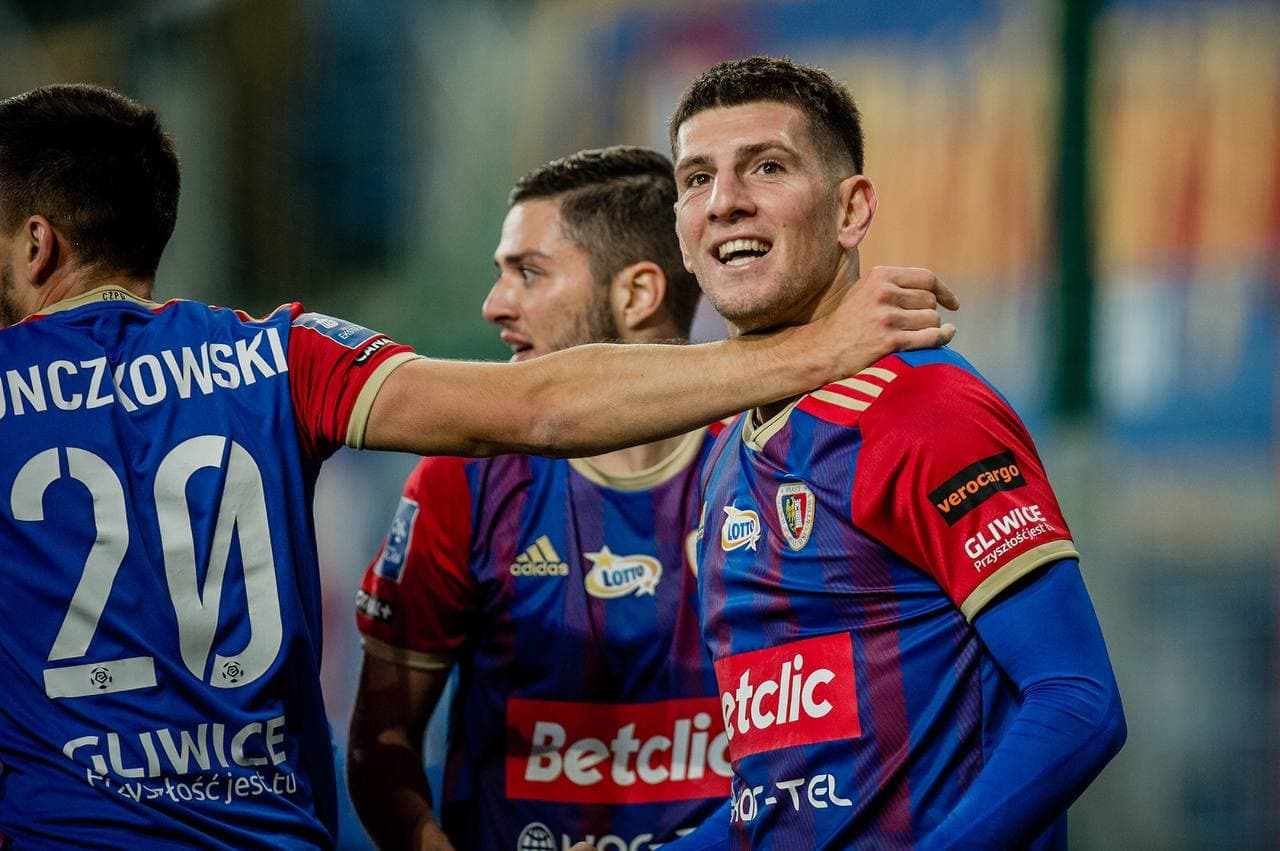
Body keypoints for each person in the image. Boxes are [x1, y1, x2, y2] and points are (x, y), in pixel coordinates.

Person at [0, 84, 956, 849]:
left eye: (528, 273)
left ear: (38, 244)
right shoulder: (281, 359)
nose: (497, 305)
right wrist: (818, 347)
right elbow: (532, 409)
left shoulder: (795, 455)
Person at [660, 57, 1126, 849]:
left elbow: (1076, 699)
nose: (724, 201)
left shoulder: (925, 409)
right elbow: (775, 801)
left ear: (852, 210)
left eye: (766, 167)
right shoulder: (725, 452)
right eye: (697, 178)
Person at [349, 146, 749, 851]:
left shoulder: (761, 473)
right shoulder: (461, 482)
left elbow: (816, 758)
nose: (494, 304)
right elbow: (381, 747)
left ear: (637, 294)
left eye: (528, 273)